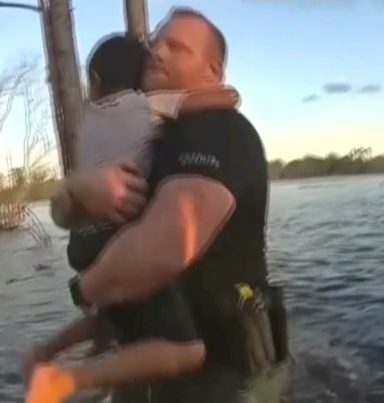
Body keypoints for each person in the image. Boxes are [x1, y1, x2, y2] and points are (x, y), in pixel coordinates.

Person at [26, 7, 290, 403]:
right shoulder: (143, 137)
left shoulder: (222, 132)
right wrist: (82, 190)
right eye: (155, 44)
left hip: (224, 381)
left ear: (212, 70)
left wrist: (84, 290)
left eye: (177, 47)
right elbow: (62, 215)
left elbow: (162, 250)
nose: (157, 53)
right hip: (148, 369)